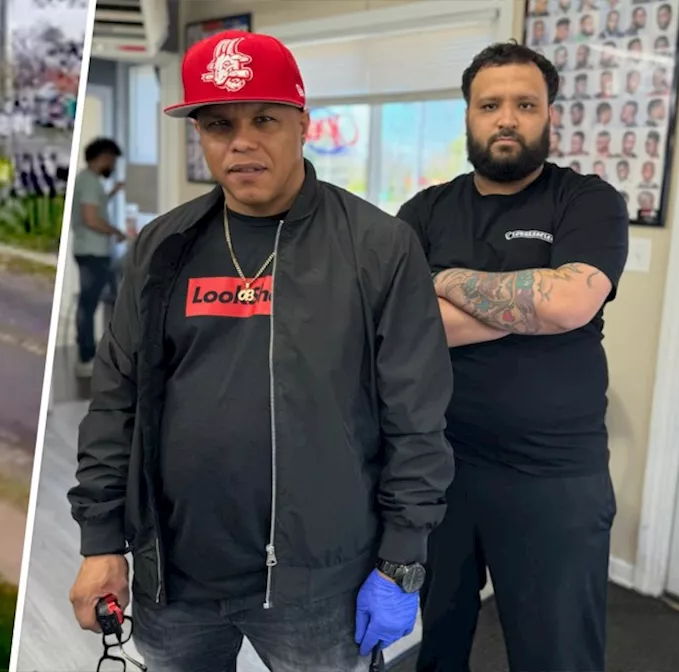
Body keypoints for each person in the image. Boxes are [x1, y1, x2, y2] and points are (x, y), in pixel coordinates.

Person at [67, 30, 455, 672]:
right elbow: (115, 402)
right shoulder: (163, 247)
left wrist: (401, 559)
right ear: (200, 134)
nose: (240, 141)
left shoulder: (379, 248)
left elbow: (417, 418)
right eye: (218, 123)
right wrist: (101, 539)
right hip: (175, 576)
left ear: (302, 123)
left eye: (264, 119)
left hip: (321, 586)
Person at [394, 42, 628, 672]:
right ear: (467, 115)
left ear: (549, 114)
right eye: (489, 104)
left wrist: (440, 280)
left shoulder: (587, 201)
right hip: (437, 465)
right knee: (435, 645)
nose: (507, 118)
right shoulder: (424, 211)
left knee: (556, 653)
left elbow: (569, 304)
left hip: (554, 475)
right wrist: (529, 306)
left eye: (525, 104)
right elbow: (398, 326)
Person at [70, 137, 128, 378]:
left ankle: (90, 354)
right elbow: (91, 219)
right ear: (103, 158)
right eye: (112, 161)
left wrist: (113, 193)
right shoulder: (90, 182)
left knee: (90, 303)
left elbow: (95, 207)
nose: (113, 166)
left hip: (90, 251)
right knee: (89, 305)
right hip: (93, 252)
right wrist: (117, 232)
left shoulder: (87, 181)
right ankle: (86, 358)